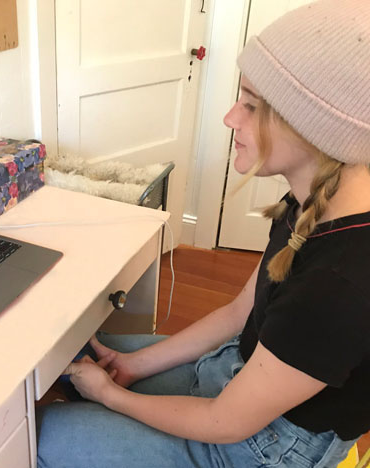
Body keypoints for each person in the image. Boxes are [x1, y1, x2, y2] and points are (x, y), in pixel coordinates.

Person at [37, 1, 370, 467]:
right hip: (239, 374)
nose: (231, 118)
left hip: (266, 446)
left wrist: (113, 397)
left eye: (251, 105)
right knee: (80, 369)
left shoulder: (340, 284)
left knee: (44, 432)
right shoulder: (312, 200)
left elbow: (226, 422)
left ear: (315, 127)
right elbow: (238, 312)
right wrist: (130, 367)